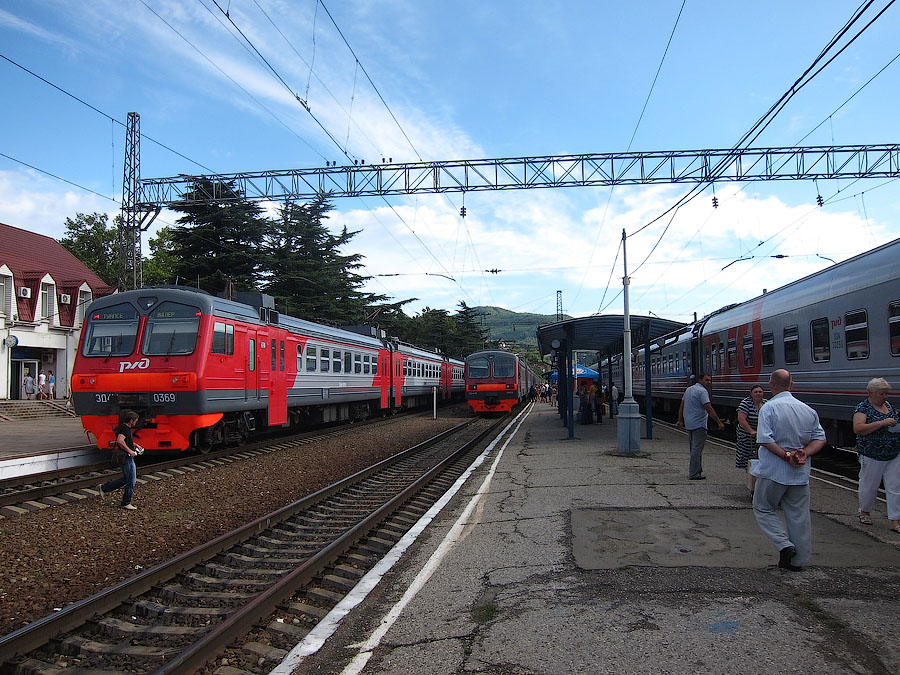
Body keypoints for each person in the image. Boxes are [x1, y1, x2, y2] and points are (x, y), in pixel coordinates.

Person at [751, 369, 826, 571]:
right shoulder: (807, 410)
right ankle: (798, 562)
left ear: (771, 385)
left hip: (773, 471)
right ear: (792, 385)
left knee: (763, 507)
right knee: (799, 516)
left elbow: (764, 439)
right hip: (800, 474)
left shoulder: (769, 408)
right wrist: (804, 453)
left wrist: (786, 455)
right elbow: (820, 438)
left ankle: (784, 545)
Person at [852, 377, 900, 533]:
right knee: (869, 485)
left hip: (893, 452)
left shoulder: (888, 406)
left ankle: (895, 520)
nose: (885, 396)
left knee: (895, 486)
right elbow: (858, 428)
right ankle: (864, 511)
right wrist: (882, 423)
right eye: (882, 394)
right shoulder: (863, 408)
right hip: (872, 454)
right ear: (871, 393)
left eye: (886, 393)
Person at [676, 373, 725, 480]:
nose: (709, 382)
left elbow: (681, 406)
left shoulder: (689, 390)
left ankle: (697, 470)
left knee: (694, 448)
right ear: (700, 380)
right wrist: (718, 422)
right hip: (699, 424)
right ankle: (693, 473)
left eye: (710, 380)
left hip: (689, 423)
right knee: (697, 449)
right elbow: (708, 408)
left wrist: (680, 420)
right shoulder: (702, 391)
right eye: (706, 380)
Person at [98, 409, 144, 510]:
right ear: (131, 420)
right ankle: (126, 502)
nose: (136, 422)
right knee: (131, 480)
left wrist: (134, 444)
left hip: (127, 456)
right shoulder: (125, 429)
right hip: (126, 457)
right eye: (136, 420)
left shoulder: (123, 428)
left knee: (128, 479)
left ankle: (104, 488)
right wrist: (130, 451)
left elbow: (124, 440)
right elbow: (120, 441)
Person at [736, 384, 766, 495]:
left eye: (760, 392)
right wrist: (751, 431)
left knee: (761, 458)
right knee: (749, 459)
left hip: (761, 436)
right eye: (756, 392)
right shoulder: (746, 403)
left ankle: (758, 482)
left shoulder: (766, 403)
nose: (758, 394)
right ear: (751, 393)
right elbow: (741, 419)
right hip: (747, 435)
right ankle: (752, 483)